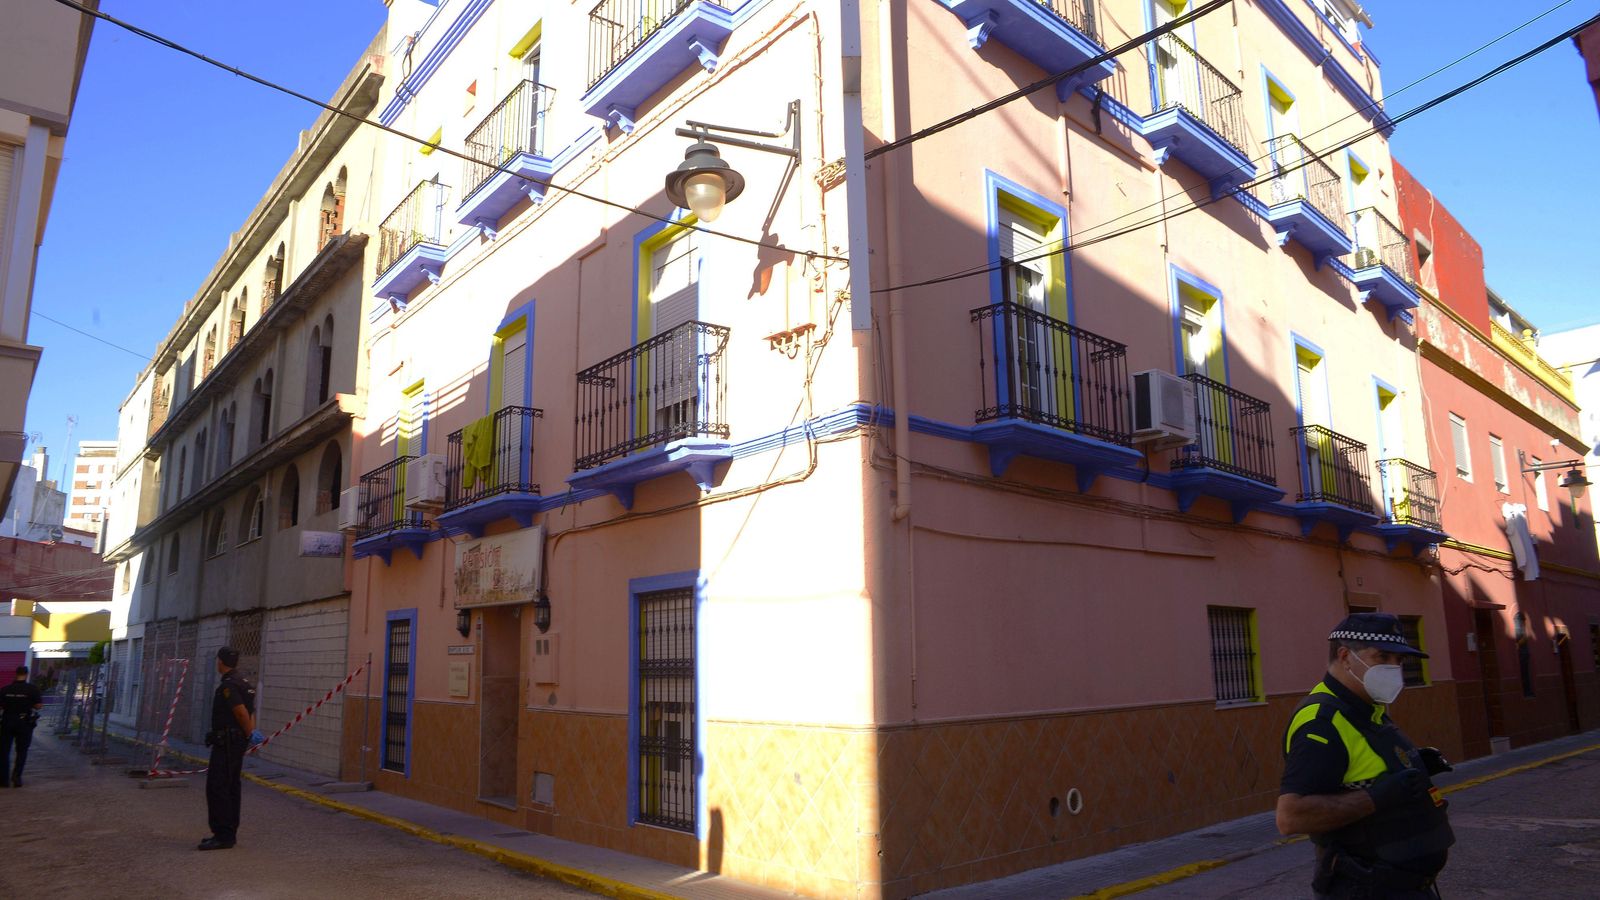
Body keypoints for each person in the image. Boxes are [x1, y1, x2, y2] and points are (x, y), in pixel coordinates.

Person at [1277, 612, 1456, 898]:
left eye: (1399, 661)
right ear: (1346, 656)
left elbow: (1361, 767)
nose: (1394, 668)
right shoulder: (1322, 721)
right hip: (1364, 888)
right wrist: (1379, 796)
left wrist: (1411, 766)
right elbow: (1291, 816)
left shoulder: (1368, 709)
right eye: (1383, 657)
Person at [199, 646, 255, 851]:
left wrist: (247, 734)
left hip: (227, 743)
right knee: (231, 787)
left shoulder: (229, 685)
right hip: (234, 743)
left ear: (220, 662)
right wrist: (249, 735)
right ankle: (227, 833)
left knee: (218, 787)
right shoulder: (245, 683)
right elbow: (251, 712)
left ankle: (222, 835)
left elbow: (241, 713)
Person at [1, 665, 44, 787]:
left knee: (4, 751)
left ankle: (3, 780)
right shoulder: (32, 689)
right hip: (24, 722)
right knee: (22, 751)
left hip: (7, 720)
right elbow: (38, 706)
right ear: (26, 674)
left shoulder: (5, 689)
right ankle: (17, 777)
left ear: (16, 673)